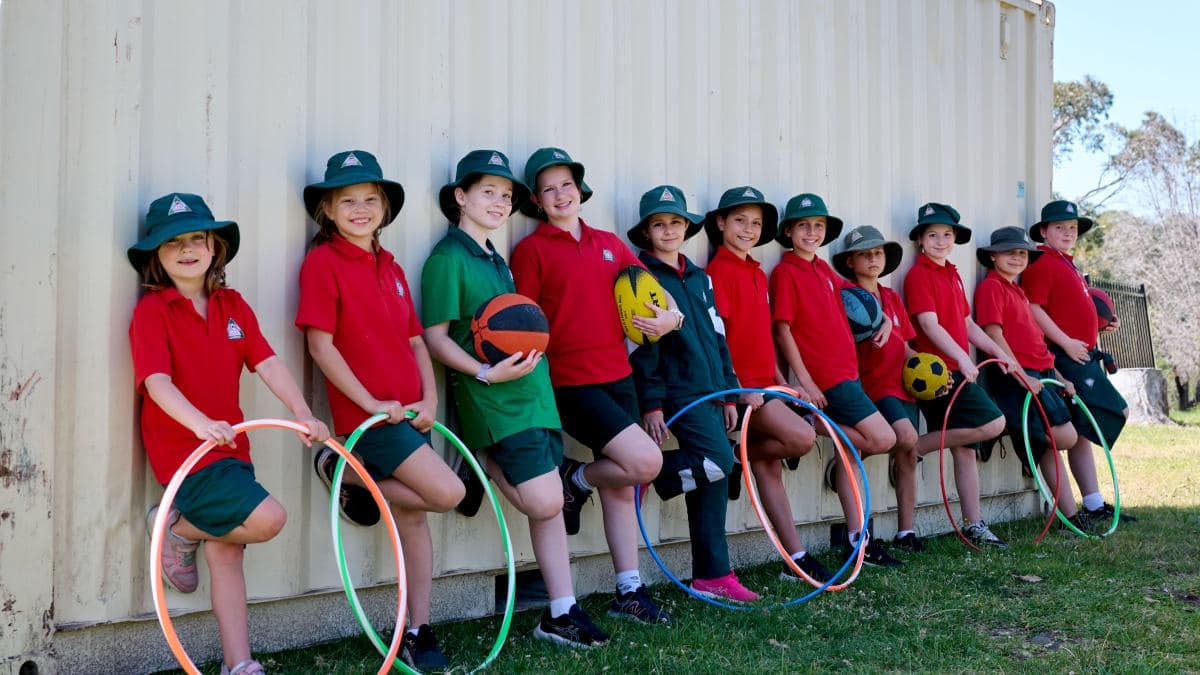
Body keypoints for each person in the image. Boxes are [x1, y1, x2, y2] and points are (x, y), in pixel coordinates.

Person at [130, 193, 329, 675]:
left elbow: (267, 362)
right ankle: (174, 529)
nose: (186, 250)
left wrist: (302, 410)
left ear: (215, 247)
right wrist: (198, 423)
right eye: (172, 243)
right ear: (156, 255)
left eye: (196, 238)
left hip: (231, 446)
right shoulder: (154, 311)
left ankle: (240, 665)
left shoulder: (232, 305)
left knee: (227, 553)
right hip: (187, 453)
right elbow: (156, 381)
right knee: (268, 519)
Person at [420, 149, 608, 646]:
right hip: (496, 401)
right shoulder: (448, 259)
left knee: (550, 503)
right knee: (547, 500)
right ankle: (481, 459)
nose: (500, 203)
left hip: (534, 395)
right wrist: (484, 372)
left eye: (506, 196)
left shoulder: (497, 260)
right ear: (460, 196)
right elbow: (435, 337)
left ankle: (561, 609)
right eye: (488, 192)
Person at [297, 150, 464, 669]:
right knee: (448, 491)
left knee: (413, 516)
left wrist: (430, 400)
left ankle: (418, 628)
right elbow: (321, 346)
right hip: (369, 420)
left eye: (371, 199)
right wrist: (369, 403)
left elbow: (415, 340)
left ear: (385, 208)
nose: (361, 208)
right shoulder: (323, 263)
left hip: (408, 413)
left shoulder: (389, 265)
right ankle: (345, 474)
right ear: (327, 209)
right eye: (348, 200)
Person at [510, 147, 679, 625]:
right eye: (549, 189)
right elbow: (524, 321)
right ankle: (575, 479)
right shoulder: (532, 250)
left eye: (567, 185)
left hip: (618, 376)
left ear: (580, 190)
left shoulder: (609, 243)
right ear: (537, 201)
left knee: (623, 487)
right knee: (643, 462)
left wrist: (671, 316)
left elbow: (652, 289)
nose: (560, 195)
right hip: (570, 382)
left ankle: (628, 590)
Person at [626, 184, 759, 602]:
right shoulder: (640, 279)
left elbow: (718, 338)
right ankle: (649, 473)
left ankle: (712, 574)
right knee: (719, 460)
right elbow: (643, 347)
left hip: (709, 391)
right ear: (647, 231)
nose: (669, 231)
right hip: (675, 392)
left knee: (714, 477)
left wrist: (727, 394)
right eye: (659, 224)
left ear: (688, 226)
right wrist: (651, 404)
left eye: (676, 222)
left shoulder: (700, 278)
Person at [703, 186, 831, 583]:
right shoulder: (718, 272)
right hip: (741, 390)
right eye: (739, 220)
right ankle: (739, 456)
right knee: (801, 438)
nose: (748, 229)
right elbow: (718, 340)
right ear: (721, 223)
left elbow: (761, 339)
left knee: (770, 465)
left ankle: (795, 557)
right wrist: (739, 388)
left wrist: (786, 384)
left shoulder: (757, 272)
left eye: (756, 223)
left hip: (766, 385)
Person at [770, 194, 900, 566]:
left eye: (819, 227)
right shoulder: (786, 272)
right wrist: (807, 385)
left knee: (850, 454)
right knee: (884, 437)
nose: (812, 233)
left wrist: (886, 319)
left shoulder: (824, 271)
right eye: (804, 226)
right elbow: (784, 331)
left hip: (849, 373)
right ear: (789, 231)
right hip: (827, 379)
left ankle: (858, 539)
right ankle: (810, 420)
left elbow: (859, 296)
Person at [902, 202, 1017, 549]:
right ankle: (915, 448)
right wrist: (960, 359)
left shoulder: (952, 272)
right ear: (921, 239)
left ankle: (974, 524)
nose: (940, 240)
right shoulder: (919, 275)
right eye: (933, 235)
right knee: (995, 423)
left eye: (947, 234)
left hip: (958, 367)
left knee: (965, 450)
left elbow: (966, 323)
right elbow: (927, 325)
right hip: (938, 375)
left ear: (954, 239)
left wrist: (998, 352)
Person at [973, 226, 1094, 532]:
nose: (1017, 258)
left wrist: (1059, 374)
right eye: (1010, 252)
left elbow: (1037, 344)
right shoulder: (991, 288)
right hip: (1017, 379)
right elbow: (993, 334)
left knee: (1059, 440)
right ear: (992, 255)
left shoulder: (1018, 290)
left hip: (1041, 374)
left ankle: (1069, 515)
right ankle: (1068, 513)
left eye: (1023, 253)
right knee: (1055, 441)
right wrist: (1019, 373)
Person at [1021, 200, 1133, 523]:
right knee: (1114, 411)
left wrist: (1101, 324)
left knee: (1082, 432)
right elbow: (1034, 308)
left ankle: (1094, 503)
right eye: (1060, 227)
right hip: (1065, 360)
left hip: (1081, 355)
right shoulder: (1042, 262)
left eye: (1072, 228)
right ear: (1044, 231)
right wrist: (1065, 343)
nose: (1068, 233)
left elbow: (1071, 308)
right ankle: (1076, 507)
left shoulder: (1066, 263)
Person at [831, 225, 923, 552]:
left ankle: (905, 532)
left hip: (904, 384)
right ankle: (851, 452)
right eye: (865, 254)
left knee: (909, 453)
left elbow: (907, 346)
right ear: (850, 262)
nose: (873, 259)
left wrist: (931, 370)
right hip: (875, 385)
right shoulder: (845, 295)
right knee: (906, 438)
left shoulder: (892, 297)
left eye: (878, 253)